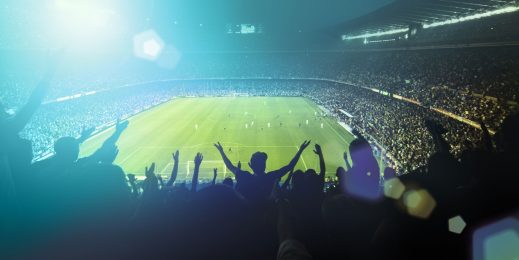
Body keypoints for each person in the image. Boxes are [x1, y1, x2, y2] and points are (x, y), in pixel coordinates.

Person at [214, 140, 311, 202]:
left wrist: (221, 151)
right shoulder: (270, 177)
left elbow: (229, 165)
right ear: (265, 166)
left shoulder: (244, 176)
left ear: (250, 165)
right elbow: (289, 166)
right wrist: (300, 150)